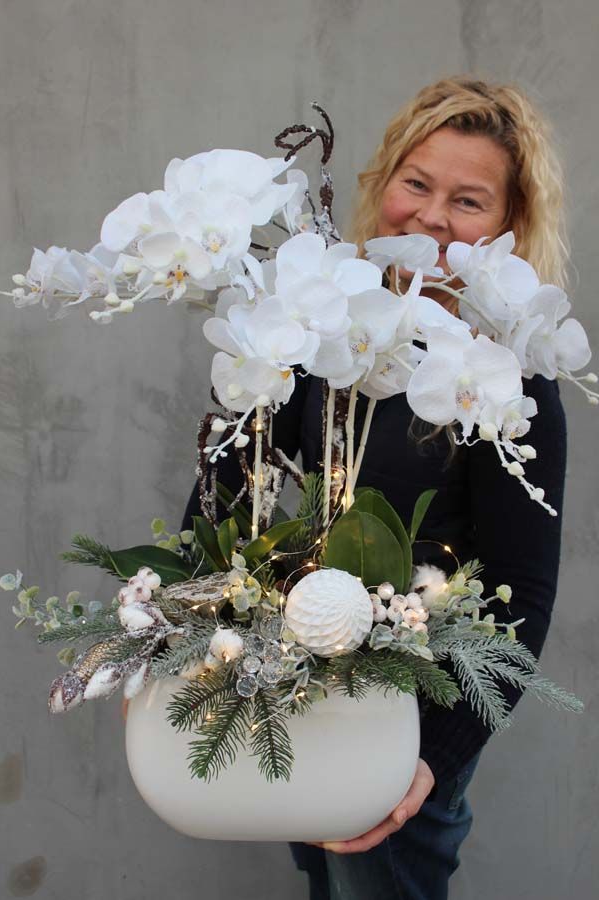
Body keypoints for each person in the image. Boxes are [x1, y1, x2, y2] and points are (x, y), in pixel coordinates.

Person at [178, 75, 568, 900]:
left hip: (406, 732)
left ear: (507, 226)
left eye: (468, 201)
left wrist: (433, 760)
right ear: (381, 183)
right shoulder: (324, 329)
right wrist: (169, 643)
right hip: (305, 701)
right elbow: (229, 482)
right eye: (415, 183)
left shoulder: (506, 377)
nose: (429, 216)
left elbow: (523, 593)